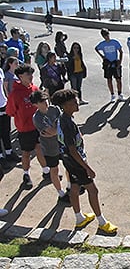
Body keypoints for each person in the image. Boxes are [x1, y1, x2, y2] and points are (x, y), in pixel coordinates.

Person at [51, 89, 118, 234]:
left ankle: (79, 218)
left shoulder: (63, 119)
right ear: (65, 105)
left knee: (74, 189)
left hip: (68, 161)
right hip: (76, 162)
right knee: (93, 190)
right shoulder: (67, 123)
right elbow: (72, 149)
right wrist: (87, 167)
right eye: (74, 102)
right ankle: (102, 222)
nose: (77, 103)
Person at [6, 65, 50, 188]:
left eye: (31, 74)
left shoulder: (35, 89)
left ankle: (46, 171)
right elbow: (10, 111)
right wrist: (22, 118)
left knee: (40, 148)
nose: (31, 77)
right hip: (25, 129)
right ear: (20, 77)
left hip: (38, 126)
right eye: (28, 75)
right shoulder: (15, 94)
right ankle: (26, 175)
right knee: (26, 153)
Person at [30, 90, 70, 203]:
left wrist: (55, 130)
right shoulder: (37, 118)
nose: (45, 102)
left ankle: (70, 186)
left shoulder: (54, 109)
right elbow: (52, 130)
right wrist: (56, 129)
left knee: (69, 165)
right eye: (41, 101)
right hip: (49, 148)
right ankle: (61, 193)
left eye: (46, 99)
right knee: (54, 170)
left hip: (61, 144)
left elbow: (60, 127)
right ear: (35, 104)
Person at [95, 28, 124, 103]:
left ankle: (120, 94)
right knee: (109, 79)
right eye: (105, 35)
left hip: (115, 62)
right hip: (108, 63)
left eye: (107, 34)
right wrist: (102, 56)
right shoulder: (102, 44)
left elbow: (121, 51)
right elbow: (96, 48)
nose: (106, 36)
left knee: (118, 79)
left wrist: (120, 62)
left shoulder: (115, 42)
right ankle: (112, 95)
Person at [0, 67, 21, 169]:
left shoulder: (0, 71)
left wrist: (8, 100)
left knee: (6, 130)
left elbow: (4, 87)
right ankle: (1, 157)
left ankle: (9, 152)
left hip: (3, 104)